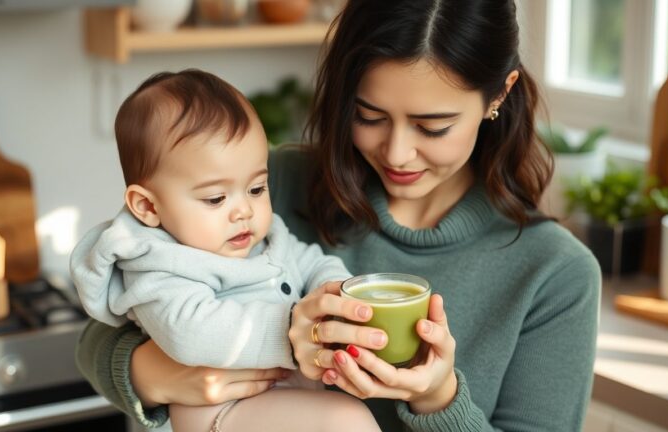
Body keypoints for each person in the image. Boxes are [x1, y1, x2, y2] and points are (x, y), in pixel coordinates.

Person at [75, 0, 602, 431]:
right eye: (369, 116)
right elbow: (105, 327)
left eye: (432, 127)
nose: (396, 153)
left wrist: (438, 398)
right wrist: (155, 376)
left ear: (498, 95)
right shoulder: (271, 186)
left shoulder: (555, 275)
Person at [69, 69, 381, 432]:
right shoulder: (160, 264)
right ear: (148, 208)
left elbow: (314, 263)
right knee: (347, 421)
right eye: (216, 198)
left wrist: (340, 297)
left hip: (285, 399)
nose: (243, 211)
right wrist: (294, 331)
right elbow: (190, 331)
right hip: (220, 413)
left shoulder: (265, 238)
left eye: (256, 188)